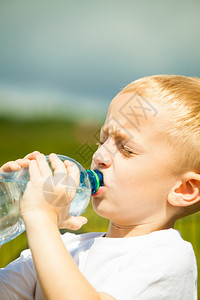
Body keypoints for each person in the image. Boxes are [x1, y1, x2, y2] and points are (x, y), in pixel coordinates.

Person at [0, 74, 199, 300]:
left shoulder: (168, 257)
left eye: (126, 149)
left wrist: (41, 220)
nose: (100, 155)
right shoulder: (66, 246)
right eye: (102, 141)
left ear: (185, 189)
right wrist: (11, 211)